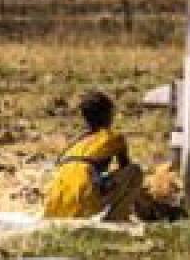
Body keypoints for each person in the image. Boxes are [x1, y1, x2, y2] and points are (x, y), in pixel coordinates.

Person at [43, 91, 163, 220]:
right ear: (107, 115)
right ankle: (115, 219)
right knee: (135, 172)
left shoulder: (73, 144)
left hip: (53, 205)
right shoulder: (114, 138)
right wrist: (146, 206)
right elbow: (126, 174)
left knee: (93, 176)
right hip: (83, 201)